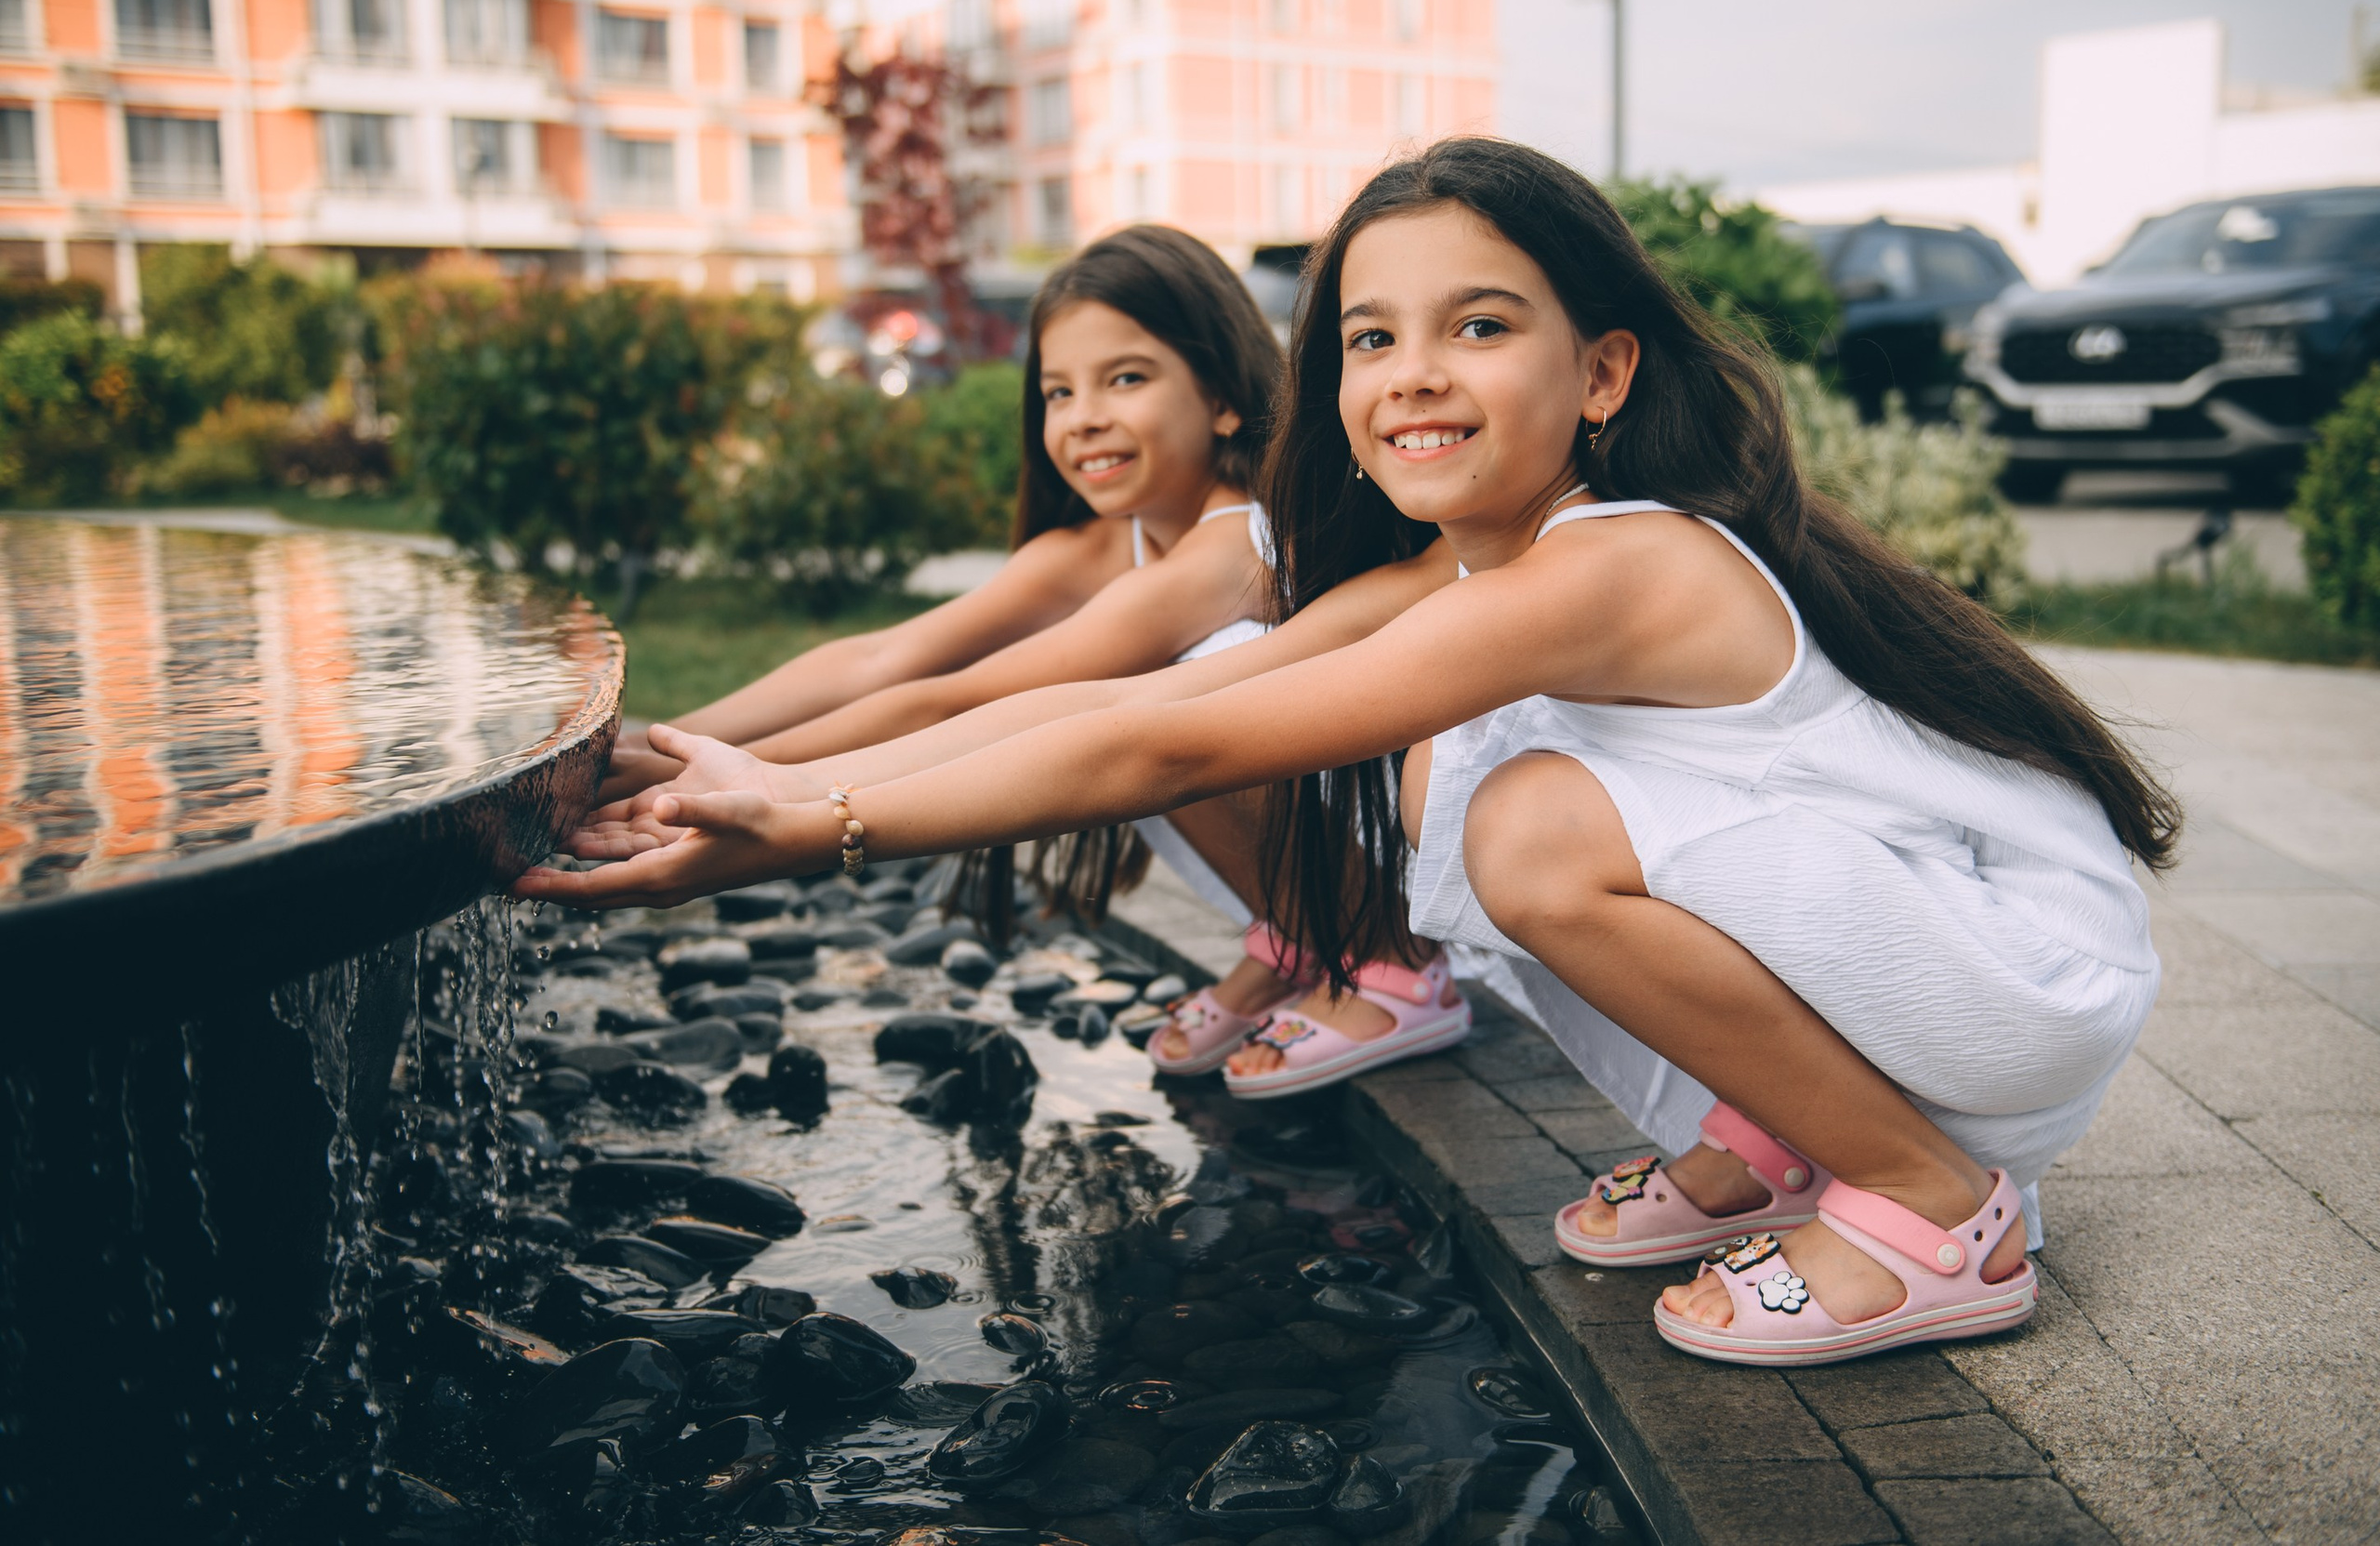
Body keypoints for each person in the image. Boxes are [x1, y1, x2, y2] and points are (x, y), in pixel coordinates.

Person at [523, 137, 2175, 1368]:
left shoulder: (1620, 561)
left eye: (1476, 325)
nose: (1410, 377)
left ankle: (1933, 1203)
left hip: (2005, 975)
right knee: (1464, 783)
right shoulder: (1459, 573)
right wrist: (740, 775)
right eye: (1370, 339)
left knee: (1527, 822)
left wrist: (819, 827)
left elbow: (1170, 735)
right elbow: (1099, 707)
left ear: (1602, 371)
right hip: (1900, 952)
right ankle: (1782, 1133)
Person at [593, 221, 1461, 1091]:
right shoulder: (1103, 545)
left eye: (1126, 378)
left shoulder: (1229, 545)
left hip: (1405, 847)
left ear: (1222, 398)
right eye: (1057, 391)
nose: (1085, 417)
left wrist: (744, 783)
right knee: (1132, 702)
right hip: (1311, 832)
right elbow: (885, 655)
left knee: (1160, 692)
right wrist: (652, 751)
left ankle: (1389, 957)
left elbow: (952, 701)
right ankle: (1302, 938)